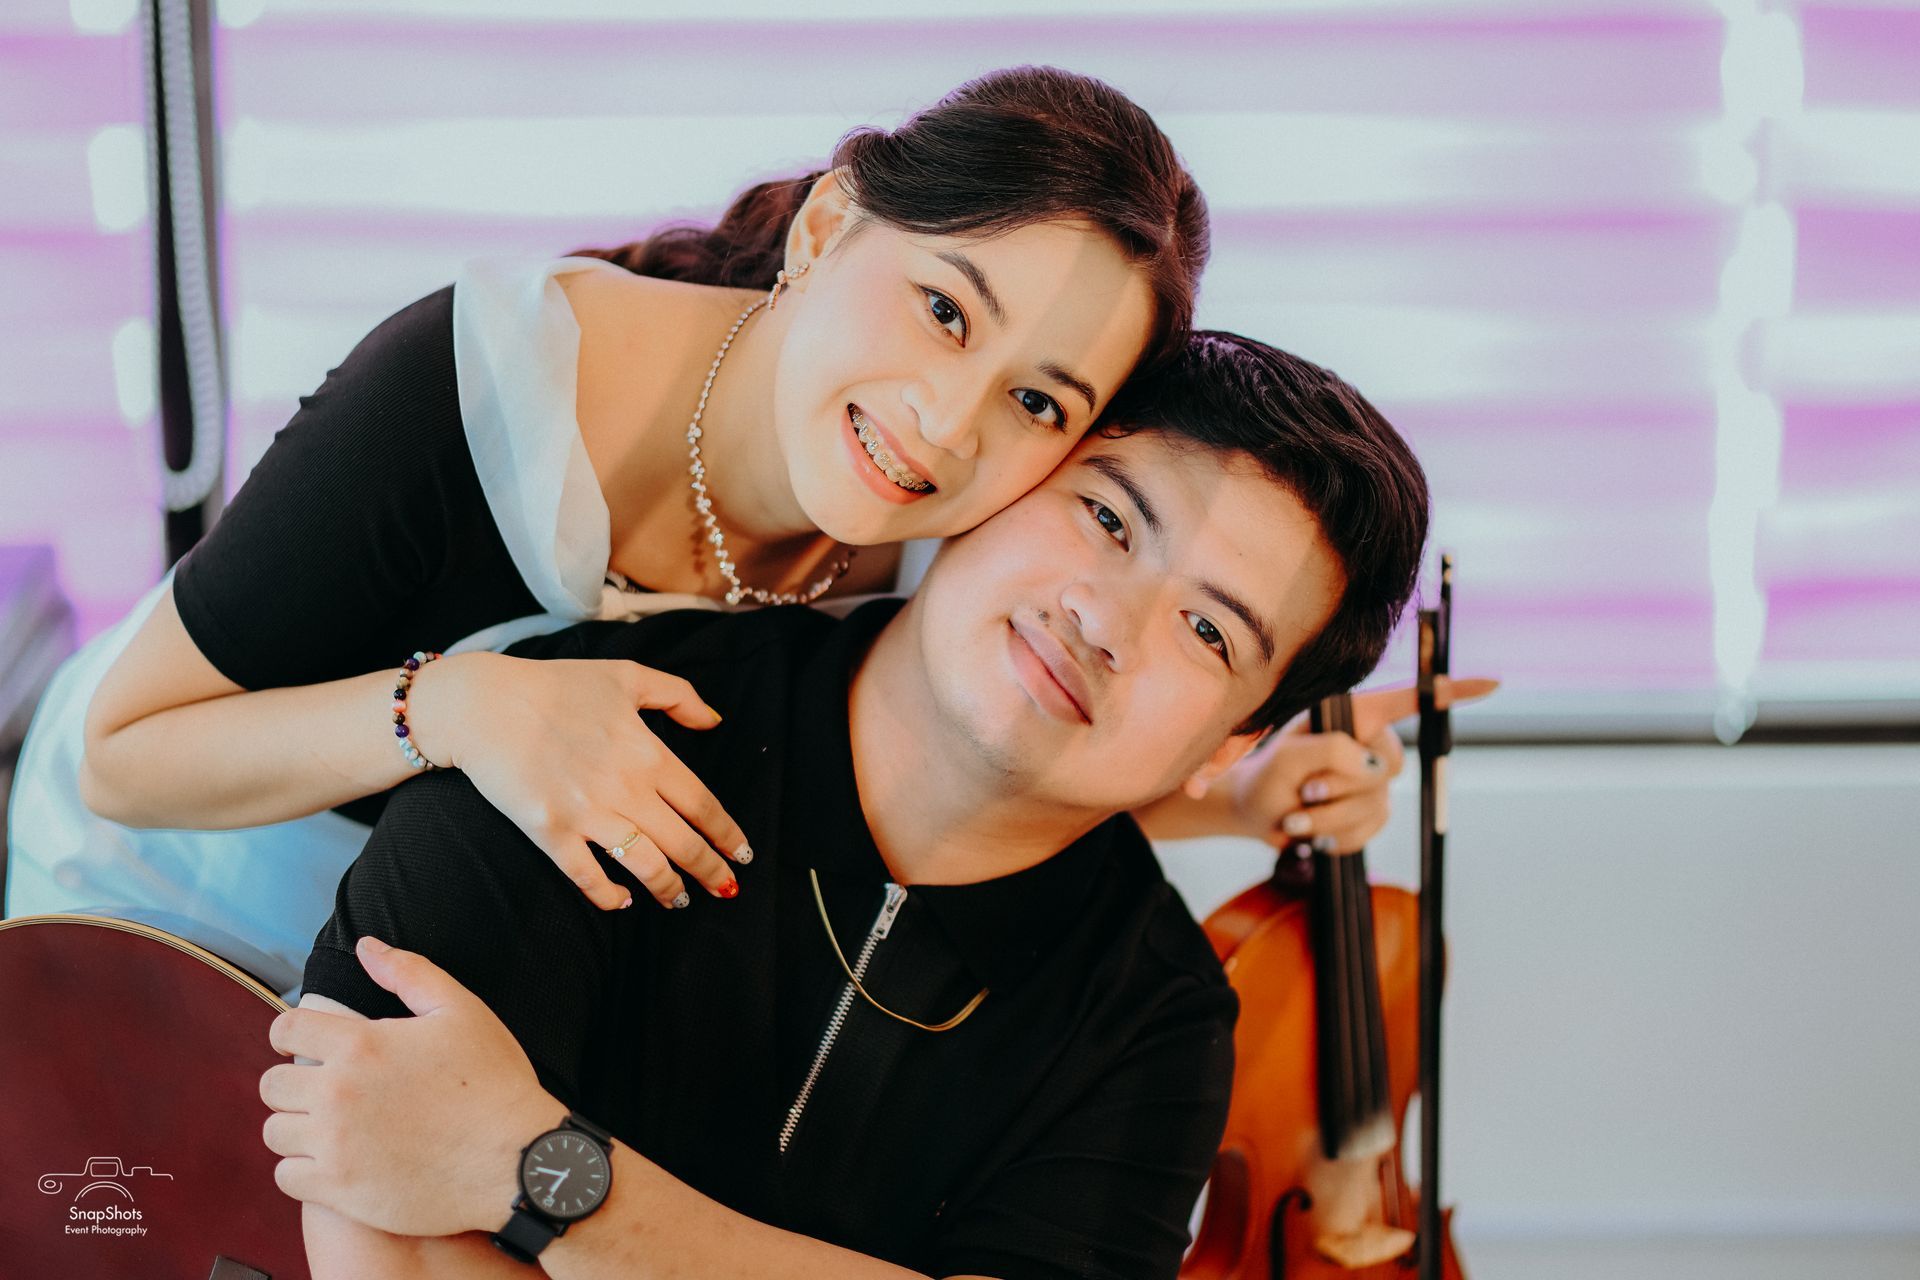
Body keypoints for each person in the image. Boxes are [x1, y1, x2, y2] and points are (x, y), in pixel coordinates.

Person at [5, 66, 1409, 993]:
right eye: (943, 309)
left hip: (443, 968)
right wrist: (460, 709)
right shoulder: (469, 385)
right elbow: (128, 757)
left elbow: (941, 764)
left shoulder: (967, 529)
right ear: (829, 228)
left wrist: (1234, 798)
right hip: (166, 899)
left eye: (1038, 400)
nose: (946, 426)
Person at [262, 330, 1433, 1279]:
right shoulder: (593, 716)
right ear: (1001, 486)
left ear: (1230, 742)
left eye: (1209, 630)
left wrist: (535, 1167)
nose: (1104, 619)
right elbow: (378, 1200)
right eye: (1110, 519)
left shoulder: (1158, 1018)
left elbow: (454, 1166)